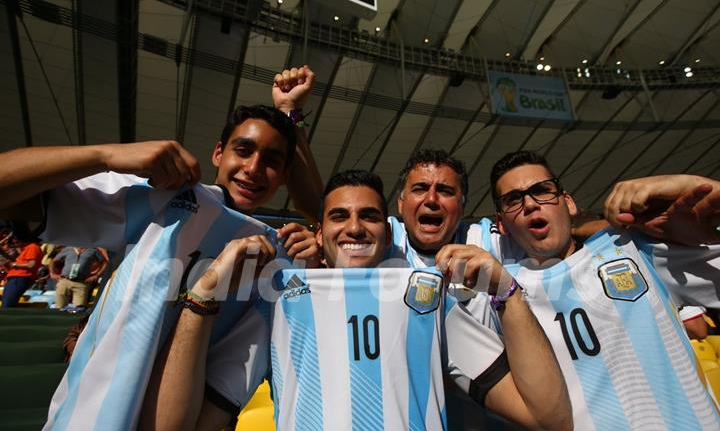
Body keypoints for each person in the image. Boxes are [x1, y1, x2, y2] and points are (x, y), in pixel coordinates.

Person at [0, 66, 323, 429]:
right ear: (218, 152)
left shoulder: (280, 261)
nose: (252, 168)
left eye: (271, 163)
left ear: (284, 177)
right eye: (243, 150)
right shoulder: (162, 197)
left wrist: (289, 114)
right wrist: (105, 155)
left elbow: (329, 213)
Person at [140, 169, 572, 430]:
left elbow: (547, 417)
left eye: (369, 215)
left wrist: (508, 296)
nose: (355, 227)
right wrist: (203, 294)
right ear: (319, 233)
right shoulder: (279, 302)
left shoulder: (427, 299)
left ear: (388, 233)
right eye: (339, 216)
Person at [469, 150, 720, 429]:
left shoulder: (633, 249)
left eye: (542, 190)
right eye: (513, 199)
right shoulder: (501, 291)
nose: (529, 203)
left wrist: (689, 183)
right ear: (501, 224)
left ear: (569, 203)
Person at [0, 234, 42, 307]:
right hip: (16, 279)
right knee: (8, 304)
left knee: (7, 305)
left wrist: (13, 264)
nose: (14, 242)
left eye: (16, 240)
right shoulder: (25, 249)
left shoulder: (32, 247)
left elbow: (31, 264)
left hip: (19, 278)